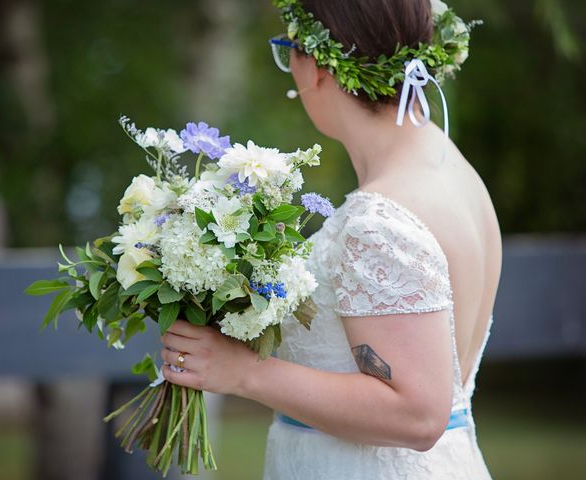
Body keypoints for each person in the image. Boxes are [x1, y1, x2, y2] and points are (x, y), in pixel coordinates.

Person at [160, 0, 500, 478]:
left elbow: (418, 414)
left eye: (287, 51)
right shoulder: (453, 169)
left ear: (316, 64)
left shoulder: (379, 219)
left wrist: (243, 372)